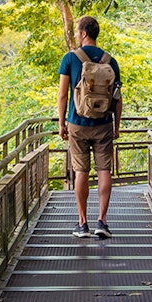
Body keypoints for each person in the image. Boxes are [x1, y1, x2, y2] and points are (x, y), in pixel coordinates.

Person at [57, 16, 122, 239]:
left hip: (77, 124)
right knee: (104, 171)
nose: (76, 34)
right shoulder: (110, 61)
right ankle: (102, 222)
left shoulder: (70, 58)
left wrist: (61, 122)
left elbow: (63, 94)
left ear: (84, 33)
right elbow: (118, 97)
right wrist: (117, 125)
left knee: (81, 171)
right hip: (103, 124)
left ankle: (82, 223)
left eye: (77, 31)